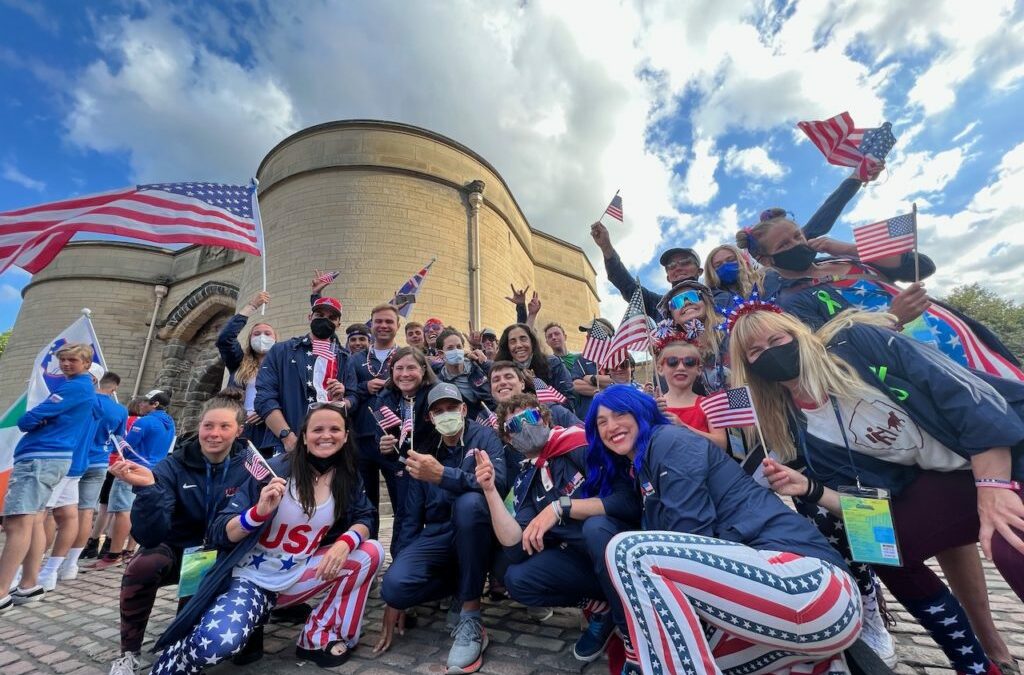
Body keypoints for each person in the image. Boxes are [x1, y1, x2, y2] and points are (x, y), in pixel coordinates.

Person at [729, 306, 1024, 674]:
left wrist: (993, 486)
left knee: (1009, 538)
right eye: (755, 352)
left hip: (1003, 455)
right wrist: (810, 488)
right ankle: (974, 664)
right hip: (945, 479)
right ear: (748, 367)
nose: (769, 353)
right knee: (874, 541)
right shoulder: (795, 421)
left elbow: (963, 392)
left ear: (799, 333)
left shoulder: (857, 342)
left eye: (777, 340)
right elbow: (863, 505)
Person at [587, 385, 860, 675]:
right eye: (601, 422)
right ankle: (816, 666)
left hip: (816, 587)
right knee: (693, 650)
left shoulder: (668, 440)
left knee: (628, 550)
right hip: (797, 627)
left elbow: (690, 541)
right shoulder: (643, 470)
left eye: (620, 414)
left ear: (641, 413)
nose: (611, 426)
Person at [152, 403, 383, 672]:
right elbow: (220, 530)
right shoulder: (274, 471)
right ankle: (175, 658)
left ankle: (318, 636)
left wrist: (345, 542)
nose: (326, 435)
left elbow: (365, 516)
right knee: (216, 644)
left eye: (335, 429)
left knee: (371, 551)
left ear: (345, 436)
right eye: (317, 429)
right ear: (304, 436)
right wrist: (258, 513)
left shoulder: (348, 477)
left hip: (298, 574)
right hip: (251, 580)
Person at [736, 213, 1023, 381]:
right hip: (919, 367)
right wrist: (893, 319)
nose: (797, 244)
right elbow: (831, 354)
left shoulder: (844, 259)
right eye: (784, 244)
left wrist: (848, 249)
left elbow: (922, 267)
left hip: (967, 344)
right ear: (766, 259)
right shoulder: (790, 301)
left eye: (798, 236)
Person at [477, 393, 639, 662]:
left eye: (531, 417)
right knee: (516, 578)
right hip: (584, 562)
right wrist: (490, 490)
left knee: (595, 528)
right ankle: (601, 608)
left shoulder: (579, 444)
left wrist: (561, 507)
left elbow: (628, 501)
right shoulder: (527, 477)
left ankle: (632, 633)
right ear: (508, 439)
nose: (525, 427)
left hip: (617, 551)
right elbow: (516, 547)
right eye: (514, 426)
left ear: (545, 418)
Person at [104, 390, 253, 675]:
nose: (214, 434)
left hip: (223, 554)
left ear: (239, 431)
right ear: (199, 427)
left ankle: (181, 641)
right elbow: (148, 535)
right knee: (143, 564)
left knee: (197, 618)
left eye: (224, 427)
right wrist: (148, 489)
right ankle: (128, 653)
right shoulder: (173, 465)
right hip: (179, 550)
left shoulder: (249, 465)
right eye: (208, 426)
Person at [376, 383, 506, 674]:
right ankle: (458, 586)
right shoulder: (422, 451)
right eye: (438, 411)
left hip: (479, 532)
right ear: (431, 418)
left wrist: (444, 475)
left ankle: (470, 612)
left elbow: (497, 484)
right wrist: (392, 596)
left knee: (469, 505)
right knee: (395, 586)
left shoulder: (485, 437)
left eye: (451, 408)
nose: (446, 414)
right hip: (437, 535)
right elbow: (409, 518)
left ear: (463, 409)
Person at [0, 343, 97, 612]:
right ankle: (29, 584)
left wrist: (35, 419)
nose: (66, 364)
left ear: (86, 364)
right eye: (62, 360)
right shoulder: (80, 388)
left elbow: (28, 420)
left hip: (41, 457)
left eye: (72, 360)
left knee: (18, 522)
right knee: (32, 520)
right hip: (53, 457)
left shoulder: (74, 387)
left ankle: (1, 590)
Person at [255, 296, 350, 454]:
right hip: (286, 445)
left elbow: (353, 397)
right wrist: (287, 437)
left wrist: (342, 399)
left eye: (332, 317)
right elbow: (264, 398)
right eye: (319, 315)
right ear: (310, 317)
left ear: (338, 324)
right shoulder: (281, 351)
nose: (325, 320)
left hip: (330, 445)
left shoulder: (344, 358)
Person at [96, 389, 177, 570]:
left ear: (155, 404)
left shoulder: (146, 421)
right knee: (139, 510)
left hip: (133, 469)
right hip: (154, 470)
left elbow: (126, 447)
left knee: (122, 510)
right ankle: (129, 550)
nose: (141, 404)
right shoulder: (170, 423)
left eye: (146, 401)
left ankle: (114, 554)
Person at [344, 305, 406, 541]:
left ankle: (400, 553)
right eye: (378, 321)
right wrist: (364, 387)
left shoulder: (404, 356)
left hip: (394, 441)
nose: (383, 326)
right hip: (362, 440)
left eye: (389, 322)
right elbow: (348, 394)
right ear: (371, 325)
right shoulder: (356, 359)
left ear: (397, 326)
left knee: (401, 501)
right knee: (365, 504)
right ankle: (368, 554)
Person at [372, 346, 439, 552]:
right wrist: (384, 447)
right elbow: (382, 435)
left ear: (423, 370)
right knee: (405, 518)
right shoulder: (385, 398)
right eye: (398, 368)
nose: (404, 374)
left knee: (437, 516)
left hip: (435, 467)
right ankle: (401, 560)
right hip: (403, 469)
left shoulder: (436, 393)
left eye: (411, 367)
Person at [69, 371, 127, 574]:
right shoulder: (120, 410)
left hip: (73, 458)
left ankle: (46, 556)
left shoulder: (85, 399)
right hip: (100, 461)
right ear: (115, 388)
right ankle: (70, 563)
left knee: (58, 510)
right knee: (86, 510)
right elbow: (119, 439)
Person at [590, 221, 701, 321]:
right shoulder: (658, 304)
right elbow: (627, 285)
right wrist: (606, 247)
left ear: (699, 271)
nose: (678, 268)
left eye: (685, 262)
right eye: (671, 266)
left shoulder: (716, 297)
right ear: (668, 277)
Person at [215, 291, 277, 449]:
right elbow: (225, 338)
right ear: (250, 339)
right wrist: (252, 306)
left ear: (275, 339)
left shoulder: (283, 366)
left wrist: (267, 410)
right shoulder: (239, 362)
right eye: (256, 334)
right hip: (240, 425)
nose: (262, 336)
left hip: (270, 426)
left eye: (267, 333)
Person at [651, 335, 727, 448]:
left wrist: (684, 427)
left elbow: (722, 445)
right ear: (660, 368)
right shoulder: (653, 406)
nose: (681, 367)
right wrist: (653, 415)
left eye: (689, 362)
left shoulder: (709, 405)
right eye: (672, 361)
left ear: (699, 369)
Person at [656, 280, 728, 394]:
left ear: (705, 302)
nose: (687, 302)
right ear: (672, 318)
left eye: (693, 296)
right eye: (678, 301)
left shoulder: (732, 330)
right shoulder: (672, 355)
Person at [488, 361, 580, 428]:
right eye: (496, 380)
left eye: (509, 377)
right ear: (491, 390)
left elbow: (586, 437)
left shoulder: (553, 411)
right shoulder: (492, 430)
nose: (502, 382)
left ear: (522, 384)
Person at [495, 324, 574, 401]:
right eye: (513, 341)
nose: (518, 345)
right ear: (507, 346)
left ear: (532, 342)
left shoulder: (553, 364)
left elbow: (568, 403)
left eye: (523, 339)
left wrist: (537, 385)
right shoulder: (502, 373)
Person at [434, 327, 493, 419]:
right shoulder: (440, 383)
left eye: (459, 347)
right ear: (441, 354)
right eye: (450, 348)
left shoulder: (479, 366)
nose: (456, 351)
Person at [569, 319, 614, 421]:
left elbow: (620, 380)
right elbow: (576, 385)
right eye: (587, 335)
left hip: (616, 414)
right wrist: (608, 390)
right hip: (590, 418)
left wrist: (591, 378)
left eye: (591, 335)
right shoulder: (582, 359)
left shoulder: (618, 356)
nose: (587, 338)